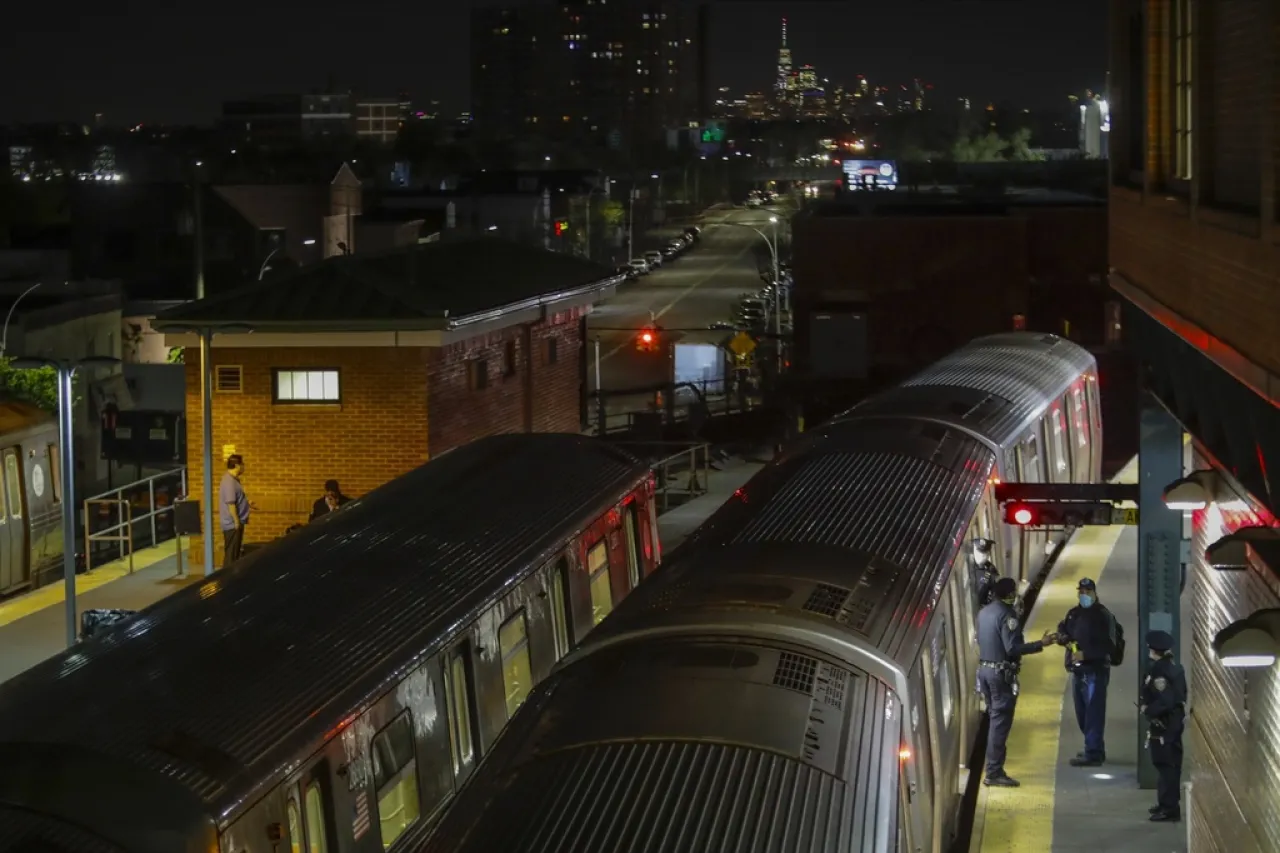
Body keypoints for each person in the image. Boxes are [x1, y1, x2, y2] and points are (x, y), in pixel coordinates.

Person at [976, 576, 1059, 787]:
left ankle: (994, 769)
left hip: (985, 671)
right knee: (1000, 722)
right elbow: (1012, 648)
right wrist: (1041, 643)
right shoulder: (1007, 616)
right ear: (1010, 594)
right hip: (1000, 675)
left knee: (995, 719)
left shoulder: (983, 612)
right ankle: (994, 772)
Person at [1057, 577, 1124, 766]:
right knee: (1082, 712)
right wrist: (1062, 636)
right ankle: (1094, 748)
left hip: (1095, 671)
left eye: (1087, 592)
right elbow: (1064, 628)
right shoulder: (1074, 614)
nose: (1084, 595)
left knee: (1094, 712)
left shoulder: (1103, 616)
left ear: (1095, 593)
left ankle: (1093, 752)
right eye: (1081, 592)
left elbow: (1110, 646)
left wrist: (1085, 655)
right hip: (1078, 672)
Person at [1142, 630, 1186, 822]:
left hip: (1166, 725)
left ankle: (1169, 808)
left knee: (1166, 765)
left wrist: (1148, 710)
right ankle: (1166, 803)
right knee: (1167, 765)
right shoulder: (1173, 666)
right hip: (1173, 723)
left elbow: (1166, 700)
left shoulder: (1160, 670)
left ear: (1153, 649)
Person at [219, 454, 251, 566]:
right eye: (242, 464)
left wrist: (247, 504)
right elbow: (231, 504)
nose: (243, 467)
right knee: (231, 556)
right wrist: (236, 521)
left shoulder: (233, 480)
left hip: (235, 523)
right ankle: (226, 579)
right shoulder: (229, 482)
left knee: (234, 554)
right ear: (237, 465)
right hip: (232, 525)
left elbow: (236, 500)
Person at [970, 538, 1000, 609]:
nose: (982, 556)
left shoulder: (990, 569)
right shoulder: (967, 566)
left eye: (985, 553)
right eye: (979, 553)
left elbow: (994, 592)